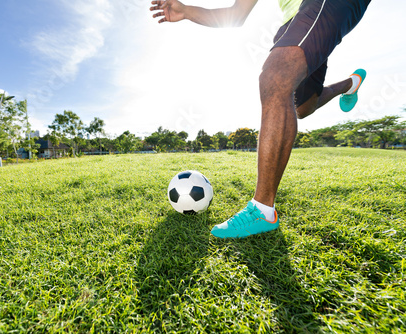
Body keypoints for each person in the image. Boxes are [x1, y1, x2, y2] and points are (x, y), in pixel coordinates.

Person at [150, 0, 371, 238]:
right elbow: (236, 15)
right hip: (296, 19)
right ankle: (350, 84)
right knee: (303, 107)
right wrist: (185, 11)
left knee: (276, 76)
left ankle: (262, 210)